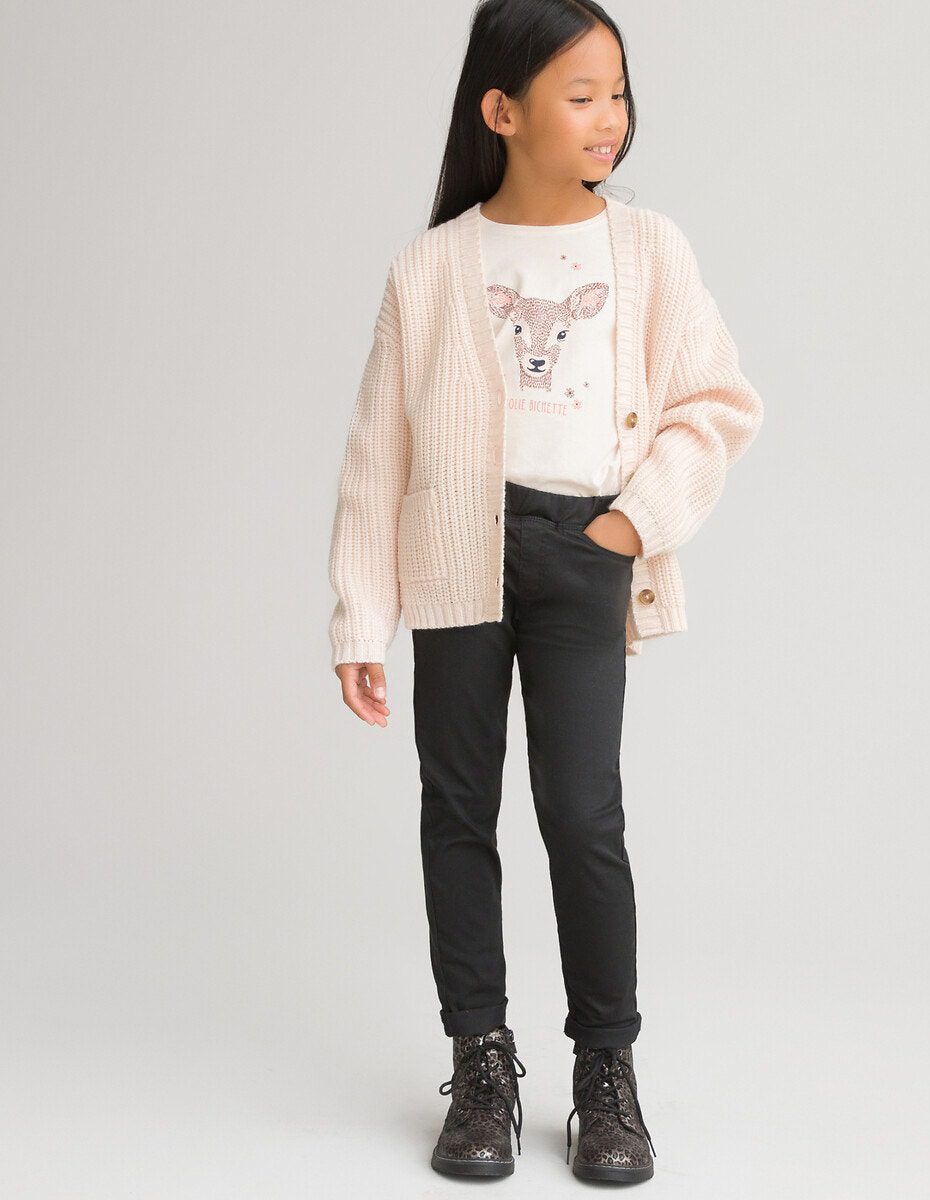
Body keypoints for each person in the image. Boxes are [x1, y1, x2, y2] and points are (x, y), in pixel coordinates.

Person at [326, 0, 764, 1183]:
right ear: (502, 110)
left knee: (582, 813)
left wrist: (630, 525)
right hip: (455, 553)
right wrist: (361, 614)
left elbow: (717, 403)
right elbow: (378, 453)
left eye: (617, 92)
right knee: (457, 809)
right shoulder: (430, 268)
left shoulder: (649, 251)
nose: (610, 116)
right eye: (581, 95)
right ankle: (480, 1065)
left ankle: (605, 1074)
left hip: (585, 555)